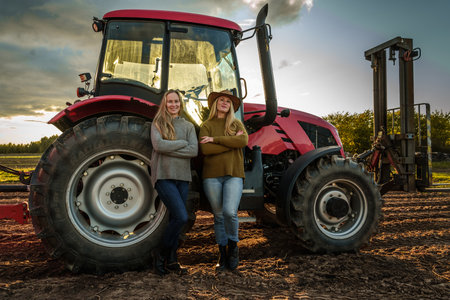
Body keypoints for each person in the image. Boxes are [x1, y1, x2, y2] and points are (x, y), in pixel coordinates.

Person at [199, 90, 248, 272]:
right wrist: (229, 142)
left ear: (231, 106)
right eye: (222, 100)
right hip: (211, 176)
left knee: (230, 212)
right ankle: (222, 254)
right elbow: (206, 150)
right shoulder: (206, 125)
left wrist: (216, 140)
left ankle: (233, 248)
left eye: (228, 101)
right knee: (218, 216)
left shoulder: (236, 124)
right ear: (215, 103)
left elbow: (242, 141)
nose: (225, 103)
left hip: (234, 174)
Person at [150, 89, 198, 276]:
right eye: (170, 101)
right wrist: (181, 143)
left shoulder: (188, 126)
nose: (173, 105)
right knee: (181, 217)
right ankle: (160, 254)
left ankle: (172, 260)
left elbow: (193, 150)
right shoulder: (158, 123)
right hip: (163, 176)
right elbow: (158, 146)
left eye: (176, 101)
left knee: (175, 220)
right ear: (165, 103)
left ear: (181, 103)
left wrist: (169, 146)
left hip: (182, 177)